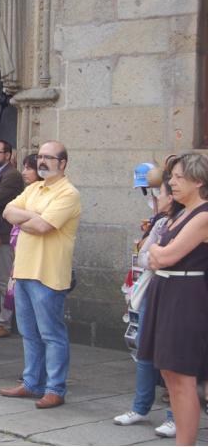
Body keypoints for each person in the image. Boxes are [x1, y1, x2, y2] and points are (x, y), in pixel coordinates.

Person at [0, 141, 81, 409]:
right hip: (23, 270)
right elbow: (6, 212)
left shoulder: (68, 193)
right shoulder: (33, 188)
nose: (42, 162)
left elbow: (44, 226)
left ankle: (55, 388)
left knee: (51, 334)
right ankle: (32, 383)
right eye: (40, 157)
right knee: (29, 333)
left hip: (48, 274)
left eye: (49, 157)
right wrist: (31, 217)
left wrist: (28, 219)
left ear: (63, 163)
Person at [139, 153, 208, 445]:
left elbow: (164, 255)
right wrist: (156, 254)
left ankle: (185, 442)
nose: (173, 183)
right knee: (168, 373)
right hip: (166, 292)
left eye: (180, 177)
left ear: (199, 181)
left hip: (185, 297)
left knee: (182, 378)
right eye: (173, 177)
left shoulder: (203, 215)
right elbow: (151, 252)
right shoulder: (180, 213)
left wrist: (157, 254)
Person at [113, 177, 181, 438]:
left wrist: (159, 255)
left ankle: (175, 416)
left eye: (159, 193)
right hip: (154, 288)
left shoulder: (189, 221)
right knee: (143, 348)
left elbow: (173, 258)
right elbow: (144, 256)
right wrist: (160, 256)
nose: (155, 198)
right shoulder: (162, 222)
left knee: (172, 356)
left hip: (177, 292)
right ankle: (140, 407)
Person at [0, 140, 24, 339]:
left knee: (3, 281)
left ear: (8, 155)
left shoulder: (12, 176)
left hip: (5, 236)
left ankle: (4, 323)